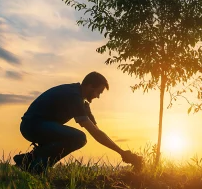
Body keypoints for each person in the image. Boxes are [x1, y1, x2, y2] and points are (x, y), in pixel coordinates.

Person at [13, 71, 142, 174]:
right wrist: (121, 152)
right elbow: (95, 134)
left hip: (42, 126)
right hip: (32, 126)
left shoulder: (82, 102)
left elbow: (97, 132)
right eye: (99, 92)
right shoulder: (73, 96)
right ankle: (35, 165)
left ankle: (30, 161)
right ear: (90, 86)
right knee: (79, 137)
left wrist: (122, 152)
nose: (98, 96)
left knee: (75, 138)